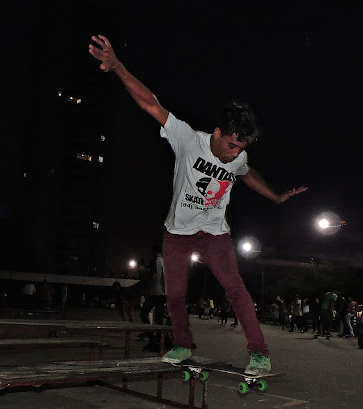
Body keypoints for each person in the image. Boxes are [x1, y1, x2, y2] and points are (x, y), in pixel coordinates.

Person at [89, 35, 307, 374]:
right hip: (177, 233)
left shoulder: (238, 157)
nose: (234, 154)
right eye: (231, 145)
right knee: (175, 295)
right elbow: (151, 104)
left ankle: (259, 352)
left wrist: (275, 196)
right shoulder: (188, 139)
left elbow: (247, 172)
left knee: (235, 289)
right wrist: (117, 67)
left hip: (214, 233)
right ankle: (182, 344)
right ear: (217, 133)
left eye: (241, 148)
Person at [140, 244, 168, 351]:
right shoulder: (164, 261)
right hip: (163, 293)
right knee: (159, 318)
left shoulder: (154, 260)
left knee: (143, 314)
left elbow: (154, 277)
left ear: (153, 251)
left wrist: (146, 290)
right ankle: (161, 341)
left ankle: (152, 339)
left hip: (155, 292)